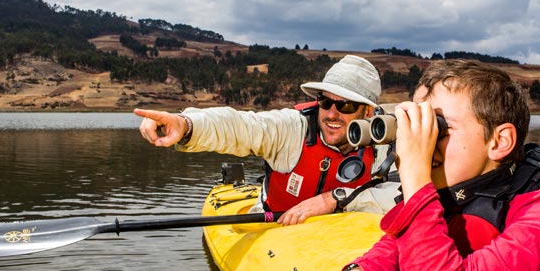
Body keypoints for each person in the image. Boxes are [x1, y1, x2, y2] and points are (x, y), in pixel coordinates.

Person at [312, 59, 540, 271]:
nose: (422, 142)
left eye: (439, 128)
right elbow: (399, 243)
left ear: (499, 142)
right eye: (418, 126)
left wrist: (414, 172)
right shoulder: (459, 188)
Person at [135, 55, 398, 225]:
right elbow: (240, 126)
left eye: (346, 106)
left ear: (369, 111)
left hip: (344, 240)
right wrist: (186, 124)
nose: (331, 114)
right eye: (325, 102)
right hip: (276, 229)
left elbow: (404, 195)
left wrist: (335, 198)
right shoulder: (291, 128)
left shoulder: (386, 141)